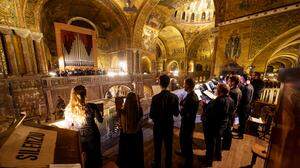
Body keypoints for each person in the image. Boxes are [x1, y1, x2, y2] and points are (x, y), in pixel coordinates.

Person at [64, 85, 103, 168]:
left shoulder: (69, 109)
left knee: (85, 160)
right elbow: (100, 120)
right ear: (85, 94)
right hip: (93, 136)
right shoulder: (92, 106)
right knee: (96, 158)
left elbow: (68, 127)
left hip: (80, 138)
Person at [150, 74, 180, 168]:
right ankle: (168, 164)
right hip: (168, 125)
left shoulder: (155, 98)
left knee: (157, 146)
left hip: (158, 126)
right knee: (169, 146)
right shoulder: (175, 97)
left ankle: (157, 163)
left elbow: (151, 115)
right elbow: (176, 113)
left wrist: (157, 120)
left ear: (160, 83)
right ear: (168, 83)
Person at [202, 83, 234, 167]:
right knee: (219, 140)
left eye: (216, 89)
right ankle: (218, 155)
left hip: (213, 125)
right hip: (223, 125)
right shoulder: (230, 100)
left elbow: (210, 114)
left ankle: (208, 161)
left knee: (210, 143)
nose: (215, 90)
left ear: (220, 91)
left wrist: (205, 106)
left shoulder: (217, 101)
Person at [176, 78, 199, 167]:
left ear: (188, 85)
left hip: (187, 123)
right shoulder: (192, 95)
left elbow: (184, 112)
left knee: (187, 142)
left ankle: (188, 163)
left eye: (185, 84)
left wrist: (181, 108)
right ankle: (183, 152)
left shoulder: (191, 98)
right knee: (183, 139)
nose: (183, 86)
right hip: (189, 122)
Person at [118, 92, 144, 168]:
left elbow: (122, 127)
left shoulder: (122, 111)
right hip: (137, 135)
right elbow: (140, 123)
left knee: (127, 156)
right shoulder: (139, 110)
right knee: (137, 154)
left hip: (126, 136)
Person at [237, 74, 254, 139]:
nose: (241, 80)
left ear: (245, 79)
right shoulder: (250, 86)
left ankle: (240, 134)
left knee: (242, 122)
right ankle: (240, 132)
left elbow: (246, 99)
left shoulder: (247, 88)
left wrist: (239, 102)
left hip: (244, 107)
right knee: (242, 121)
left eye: (241, 79)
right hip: (246, 107)